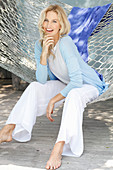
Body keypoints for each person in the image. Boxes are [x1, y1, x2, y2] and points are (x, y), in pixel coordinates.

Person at [0, 4, 108, 170]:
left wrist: (53, 100)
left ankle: (59, 147)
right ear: (42, 23)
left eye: (54, 21)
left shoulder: (66, 42)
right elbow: (42, 80)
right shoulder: (39, 45)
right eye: (46, 20)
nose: (49, 25)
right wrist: (44, 54)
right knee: (35, 87)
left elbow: (77, 82)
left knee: (73, 96)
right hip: (67, 83)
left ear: (61, 25)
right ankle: (8, 129)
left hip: (89, 84)